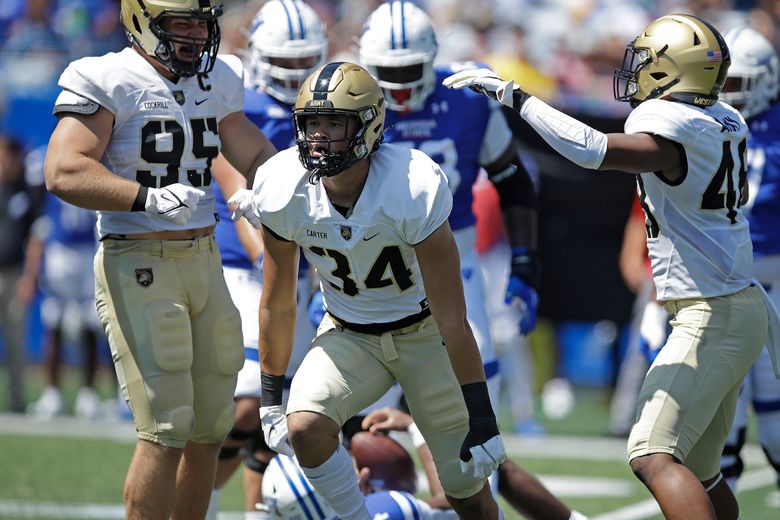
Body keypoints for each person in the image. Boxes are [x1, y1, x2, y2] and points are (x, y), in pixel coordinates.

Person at [444, 13, 780, 520]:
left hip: (713, 312)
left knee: (651, 454)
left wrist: (518, 98)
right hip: (732, 304)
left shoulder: (678, 125)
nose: (638, 72)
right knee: (702, 470)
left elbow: (595, 150)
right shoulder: (724, 120)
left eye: (650, 63)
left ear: (677, 72)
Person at [230, 61, 505, 520]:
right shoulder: (282, 185)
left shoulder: (411, 183)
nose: (318, 135)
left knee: (467, 492)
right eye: (311, 122)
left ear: (368, 125)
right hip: (349, 333)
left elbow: (454, 318)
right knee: (305, 426)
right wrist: (272, 396)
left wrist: (483, 413)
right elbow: (278, 303)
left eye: (333, 122)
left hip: (425, 335)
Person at [43, 1, 277, 518]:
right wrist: (144, 198)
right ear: (142, 23)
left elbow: (256, 155)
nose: (196, 35)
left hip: (206, 257)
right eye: (181, 23)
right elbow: (62, 170)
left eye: (202, 23)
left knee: (212, 425)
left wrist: (277, 189)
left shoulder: (217, 79)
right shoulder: (108, 77)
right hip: (139, 259)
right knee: (166, 425)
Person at [356, 5, 587, 520]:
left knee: (472, 434)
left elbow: (511, 178)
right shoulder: (349, 99)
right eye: (384, 75)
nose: (395, 89)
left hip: (451, 262)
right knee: (363, 427)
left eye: (406, 73)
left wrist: (525, 261)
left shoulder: (465, 99)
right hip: (365, 266)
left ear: (432, 60)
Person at [205, 2, 326, 518]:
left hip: (306, 272)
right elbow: (238, 197)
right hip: (245, 267)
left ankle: (259, 513)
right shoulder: (240, 103)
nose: (297, 73)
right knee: (250, 402)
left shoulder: (330, 104)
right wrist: (282, 258)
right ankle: (198, 501)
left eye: (306, 61)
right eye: (285, 60)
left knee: (286, 417)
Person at [717, 26, 780, 494]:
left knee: (778, 431)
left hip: (775, 289)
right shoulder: (703, 122)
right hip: (722, 291)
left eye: (740, 83)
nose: (730, 95)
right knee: (722, 432)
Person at [23, 191, 104, 420]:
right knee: (54, 323)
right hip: (60, 251)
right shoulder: (52, 181)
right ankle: (52, 393)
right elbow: (41, 226)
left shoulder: (91, 175)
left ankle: (88, 394)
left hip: (88, 249)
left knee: (91, 325)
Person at [0, 134, 36, 414]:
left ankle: (16, 398)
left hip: (13, 274)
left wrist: (29, 276)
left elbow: (35, 237)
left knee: (15, 342)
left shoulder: (24, 191)